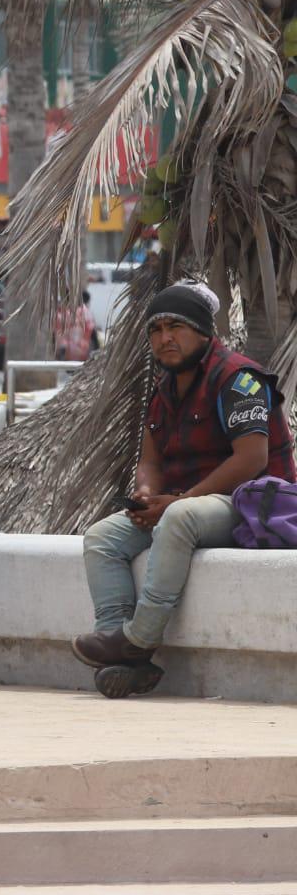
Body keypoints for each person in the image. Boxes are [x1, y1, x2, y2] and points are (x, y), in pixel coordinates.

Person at [74, 281, 296, 698]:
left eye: (176, 327)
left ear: (203, 332)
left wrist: (177, 501)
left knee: (178, 517)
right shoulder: (163, 391)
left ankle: (139, 639)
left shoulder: (239, 379)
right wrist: (144, 494)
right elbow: (151, 460)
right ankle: (120, 651)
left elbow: (251, 460)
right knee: (102, 537)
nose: (165, 339)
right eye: (156, 331)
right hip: (189, 503)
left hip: (250, 505)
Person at [54, 290, 99, 362]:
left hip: (64, 356)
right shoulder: (85, 312)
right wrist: (96, 351)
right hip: (83, 356)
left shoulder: (59, 314)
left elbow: (55, 335)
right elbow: (93, 334)